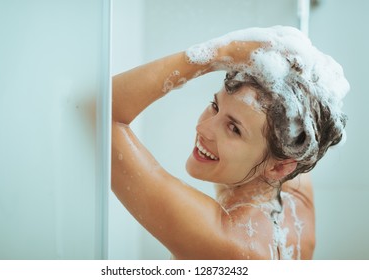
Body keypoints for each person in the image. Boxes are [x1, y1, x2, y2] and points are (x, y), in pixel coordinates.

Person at [111, 26, 349, 260]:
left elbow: (104, 114)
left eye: (234, 128)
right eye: (215, 106)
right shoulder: (297, 209)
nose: (202, 128)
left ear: (278, 168)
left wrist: (218, 53)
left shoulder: (227, 240)